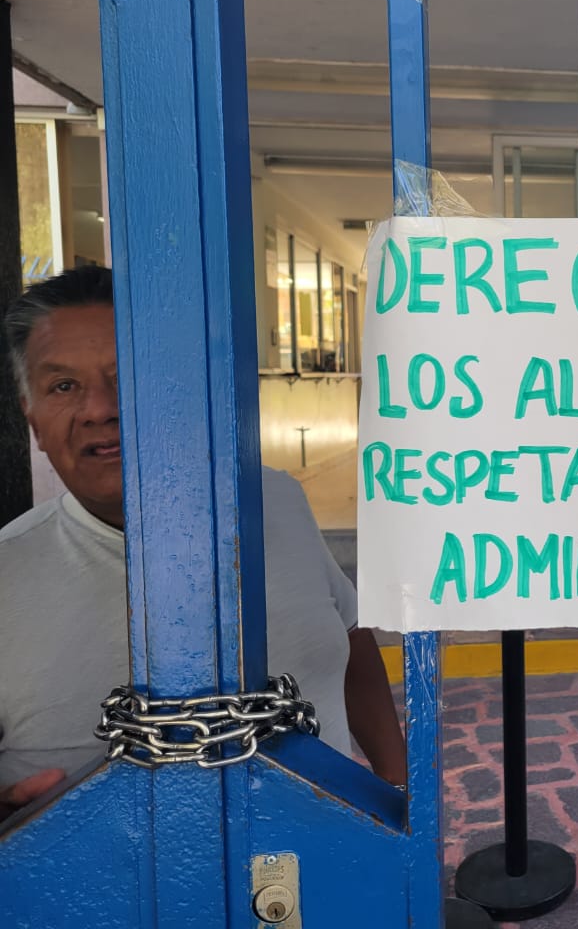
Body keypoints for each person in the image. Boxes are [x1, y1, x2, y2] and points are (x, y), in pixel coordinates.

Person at [0, 265, 405, 820]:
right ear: (32, 417)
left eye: (128, 375)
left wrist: (397, 784)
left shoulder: (274, 500)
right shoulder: (9, 574)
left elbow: (349, 635)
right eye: (63, 386)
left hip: (329, 856)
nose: (99, 409)